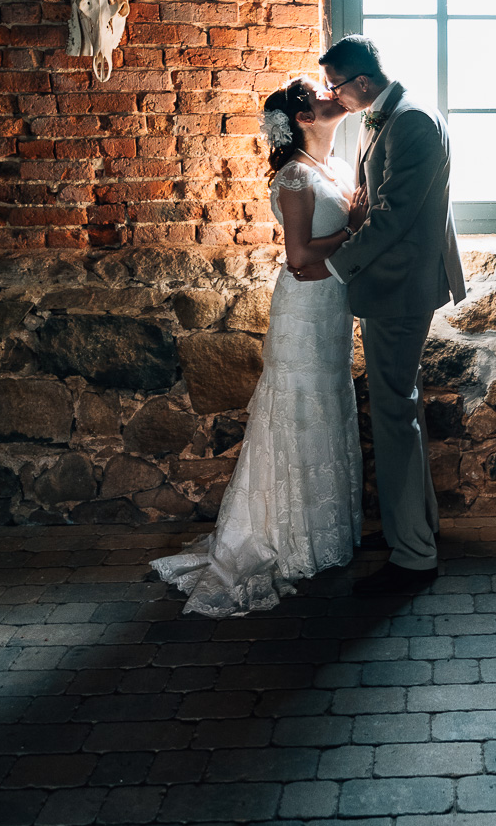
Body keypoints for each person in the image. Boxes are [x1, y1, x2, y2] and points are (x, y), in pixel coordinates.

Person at [151, 78, 365, 616]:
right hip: (303, 307)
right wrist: (355, 229)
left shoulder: (335, 171)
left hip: (332, 306)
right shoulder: (294, 177)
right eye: (318, 94)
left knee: (328, 406)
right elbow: (298, 255)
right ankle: (286, 537)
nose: (329, 95)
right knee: (297, 410)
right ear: (302, 118)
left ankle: (323, 532)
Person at [292, 34, 465, 593]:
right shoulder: (390, 113)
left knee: (394, 414)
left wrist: (335, 267)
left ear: (362, 83)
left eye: (335, 86)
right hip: (398, 284)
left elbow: (391, 219)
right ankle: (418, 529)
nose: (331, 95)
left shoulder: (411, 121)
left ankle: (412, 553)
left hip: (399, 288)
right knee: (402, 408)